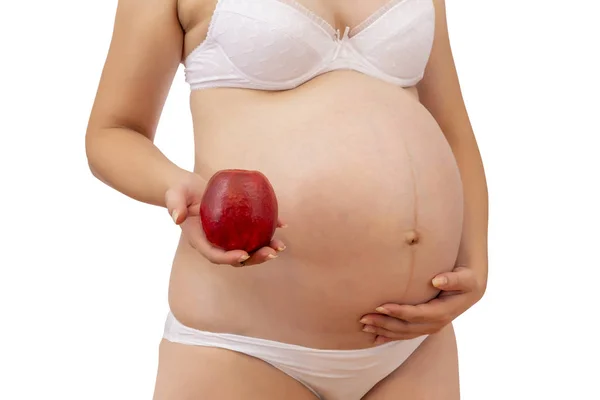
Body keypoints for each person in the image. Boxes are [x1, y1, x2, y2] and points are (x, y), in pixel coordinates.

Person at [85, 0, 489, 398]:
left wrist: (476, 262)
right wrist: (174, 185)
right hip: (245, 349)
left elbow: (453, 128)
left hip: (415, 348)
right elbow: (113, 131)